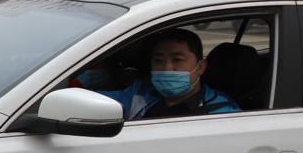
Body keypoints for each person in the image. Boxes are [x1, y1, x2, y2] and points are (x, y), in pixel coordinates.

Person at [95, 28, 239, 120]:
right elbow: (99, 102)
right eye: (158, 60)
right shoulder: (142, 91)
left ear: (200, 67)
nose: (167, 67)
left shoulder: (222, 113)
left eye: (177, 60)